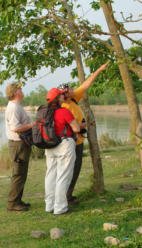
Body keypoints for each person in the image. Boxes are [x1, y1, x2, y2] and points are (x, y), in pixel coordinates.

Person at [60, 61, 109, 205]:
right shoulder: (64, 107)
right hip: (71, 144)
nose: (73, 88)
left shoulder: (74, 99)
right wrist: (83, 125)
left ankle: (68, 195)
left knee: (75, 170)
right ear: (66, 94)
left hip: (79, 141)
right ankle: (65, 198)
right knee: (70, 171)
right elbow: (68, 126)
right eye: (70, 88)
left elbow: (86, 84)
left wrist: (99, 69)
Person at [44, 88, 85, 215]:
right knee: (63, 176)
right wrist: (82, 125)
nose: (63, 96)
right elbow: (76, 128)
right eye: (61, 95)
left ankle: (49, 205)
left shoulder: (45, 112)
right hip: (64, 145)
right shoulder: (64, 112)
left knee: (50, 176)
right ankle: (60, 207)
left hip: (50, 146)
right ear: (57, 98)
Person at [4, 83, 33, 212]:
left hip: (21, 143)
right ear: (16, 92)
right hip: (17, 144)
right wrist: (32, 126)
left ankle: (18, 200)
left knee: (22, 173)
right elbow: (15, 128)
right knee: (18, 173)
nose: (22, 90)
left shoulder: (16, 106)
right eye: (20, 89)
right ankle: (12, 203)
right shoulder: (14, 107)